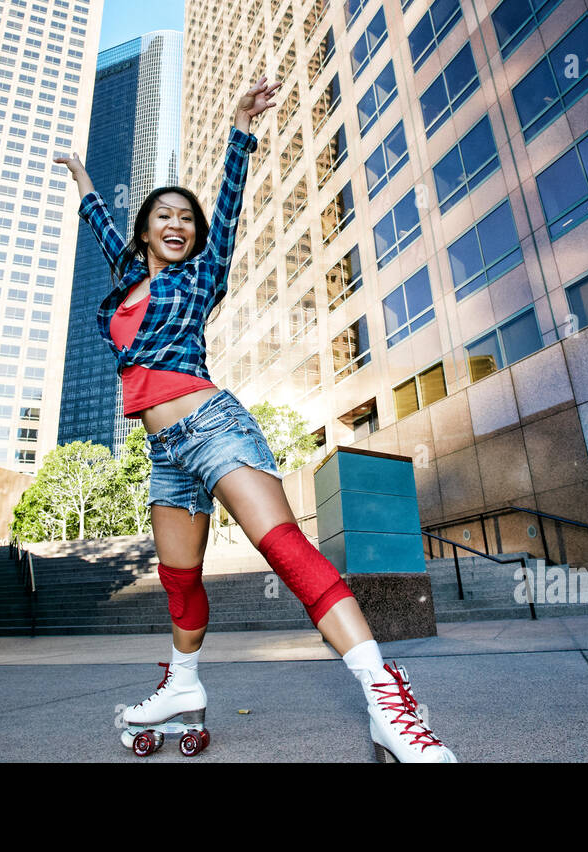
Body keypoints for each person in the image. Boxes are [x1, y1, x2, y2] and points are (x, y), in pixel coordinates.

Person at [54, 76, 455, 762]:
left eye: (186, 218)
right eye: (164, 216)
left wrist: (241, 133)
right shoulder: (125, 281)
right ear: (145, 229)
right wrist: (81, 175)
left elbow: (231, 208)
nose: (178, 224)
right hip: (161, 455)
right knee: (180, 580)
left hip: (212, 426)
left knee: (282, 546)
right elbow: (98, 223)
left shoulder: (199, 277)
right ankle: (182, 685)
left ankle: (385, 697)